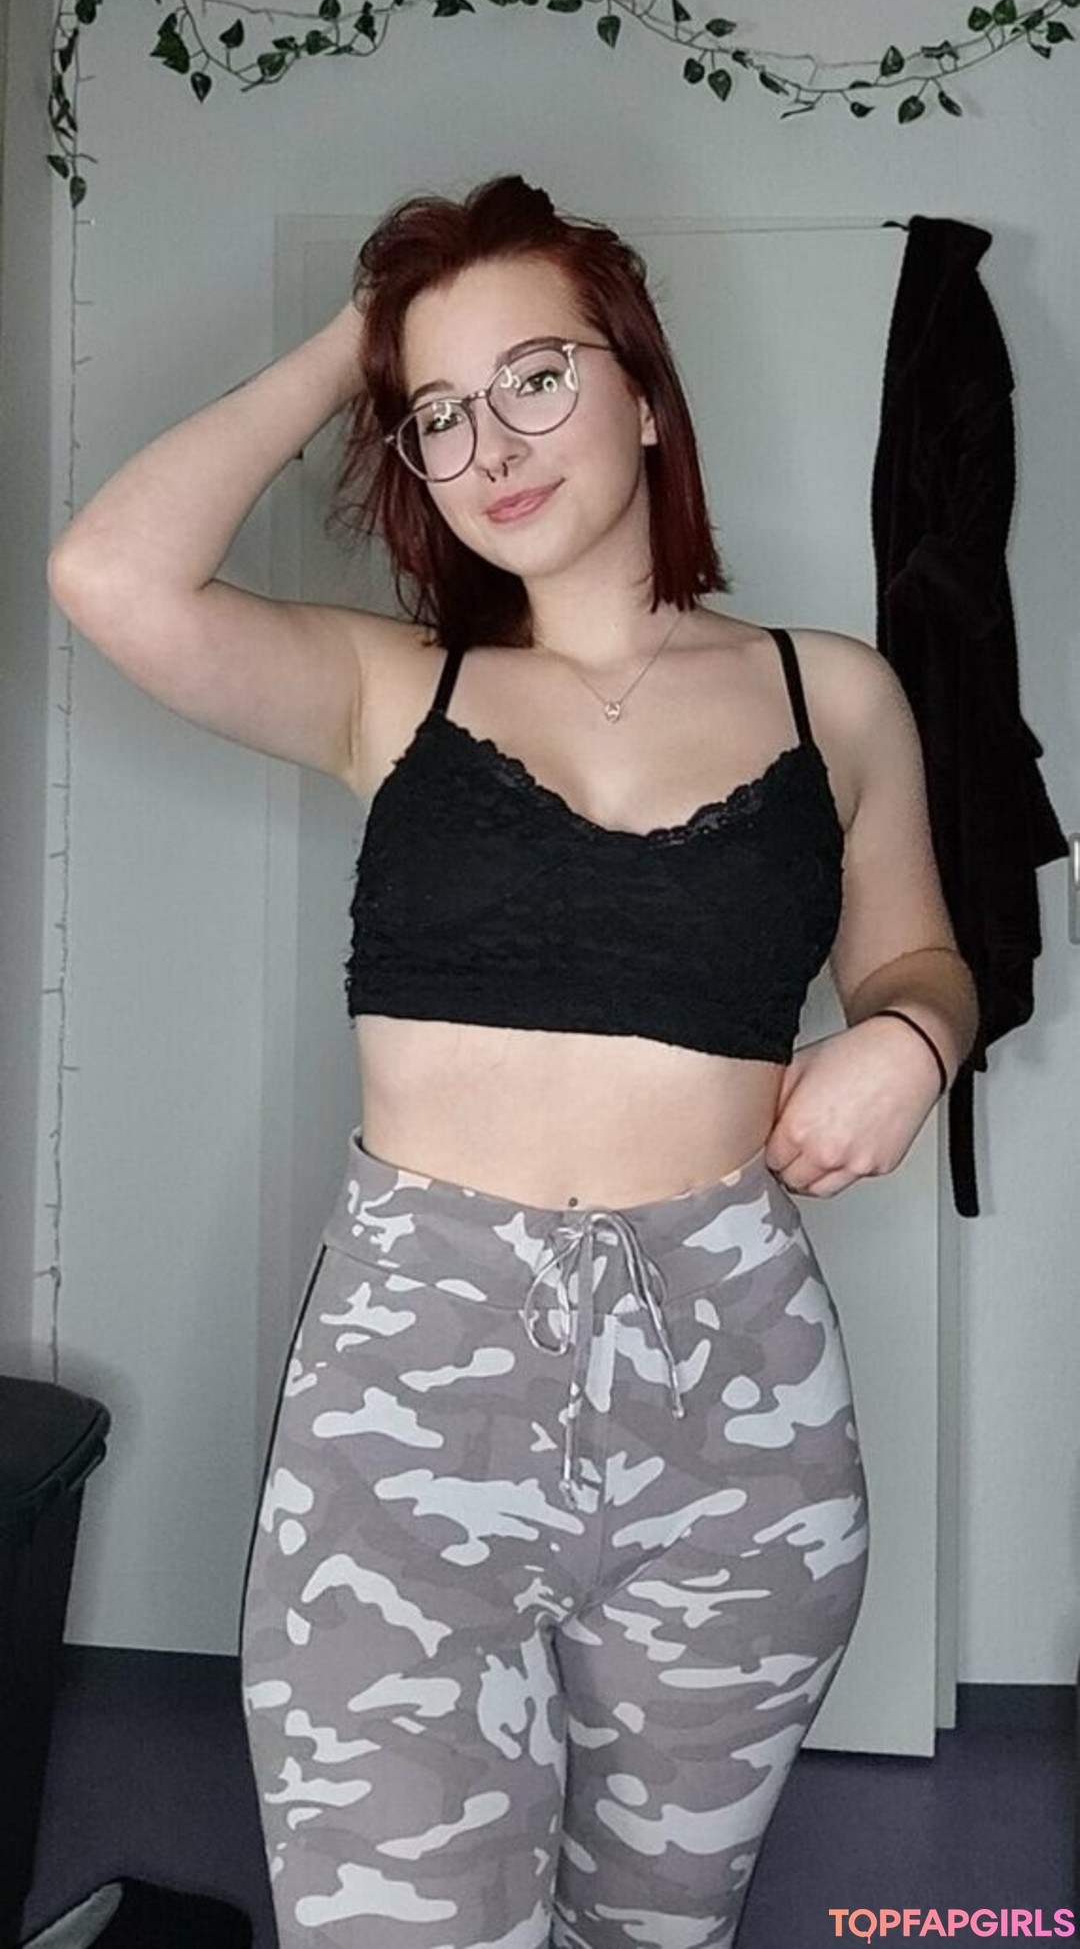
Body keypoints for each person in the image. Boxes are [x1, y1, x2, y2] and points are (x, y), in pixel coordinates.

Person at [48, 174, 978, 1949]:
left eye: (537, 377)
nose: (491, 444)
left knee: (657, 1930)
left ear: (644, 388)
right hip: (415, 1372)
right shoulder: (393, 689)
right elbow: (107, 572)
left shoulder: (833, 694)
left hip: (735, 1395)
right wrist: (364, 334)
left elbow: (920, 954)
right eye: (440, 412)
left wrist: (911, 1040)